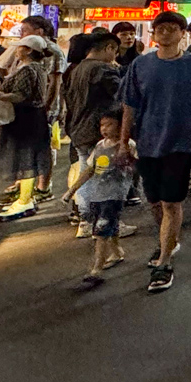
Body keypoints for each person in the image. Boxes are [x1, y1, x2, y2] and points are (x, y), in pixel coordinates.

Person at [120, 10, 191, 294]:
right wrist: (123, 141)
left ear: (182, 33)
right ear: (153, 33)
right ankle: (169, 241)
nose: (165, 33)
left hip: (181, 143)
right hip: (147, 143)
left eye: (172, 28)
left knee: (172, 203)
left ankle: (164, 262)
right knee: (154, 202)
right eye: (160, 28)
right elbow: (129, 106)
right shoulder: (141, 65)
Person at [62, 32, 124, 238]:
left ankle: (85, 220)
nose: (115, 56)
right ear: (108, 48)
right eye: (114, 51)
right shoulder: (103, 69)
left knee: (84, 174)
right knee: (105, 180)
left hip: (78, 129)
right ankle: (106, 221)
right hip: (100, 130)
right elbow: (120, 96)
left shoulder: (75, 69)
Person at [61, 115, 133, 290]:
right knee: (109, 225)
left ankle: (96, 270)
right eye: (102, 125)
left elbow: (138, 165)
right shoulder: (100, 146)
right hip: (97, 195)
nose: (104, 128)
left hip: (114, 195)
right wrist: (72, 190)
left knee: (101, 231)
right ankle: (116, 252)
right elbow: (90, 170)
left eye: (109, 124)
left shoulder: (127, 146)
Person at [0, 36, 53, 221]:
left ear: (27, 50)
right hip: (34, 117)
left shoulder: (27, 69)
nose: (17, 50)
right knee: (30, 157)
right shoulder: (38, 68)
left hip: (26, 118)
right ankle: (25, 197)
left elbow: (20, 96)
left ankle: (24, 200)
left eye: (20, 47)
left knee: (25, 158)